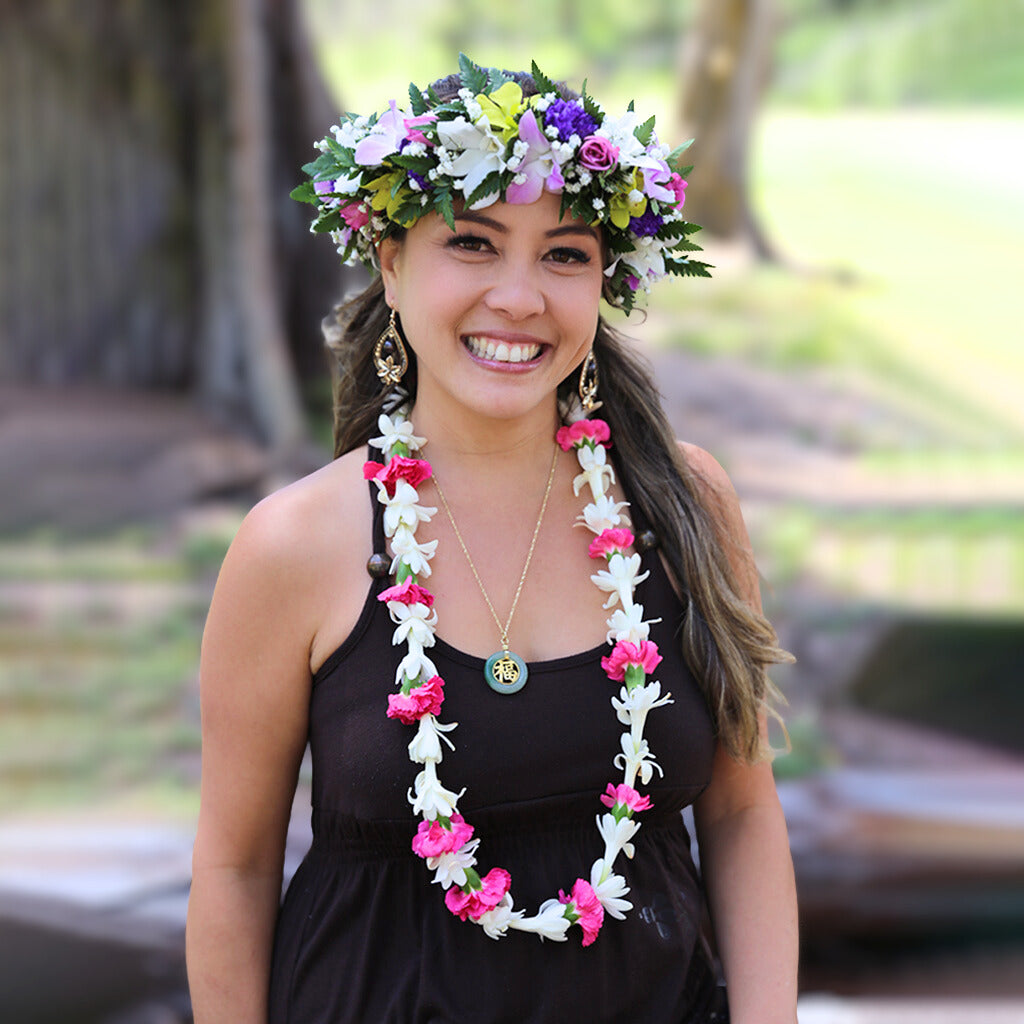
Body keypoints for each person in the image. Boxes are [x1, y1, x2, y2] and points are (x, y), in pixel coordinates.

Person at [186, 59, 798, 1024]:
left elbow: (743, 812)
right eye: (472, 244)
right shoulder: (296, 547)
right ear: (389, 262)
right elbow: (234, 868)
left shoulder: (682, 504)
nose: (519, 298)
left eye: (564, 254)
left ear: (605, 278)